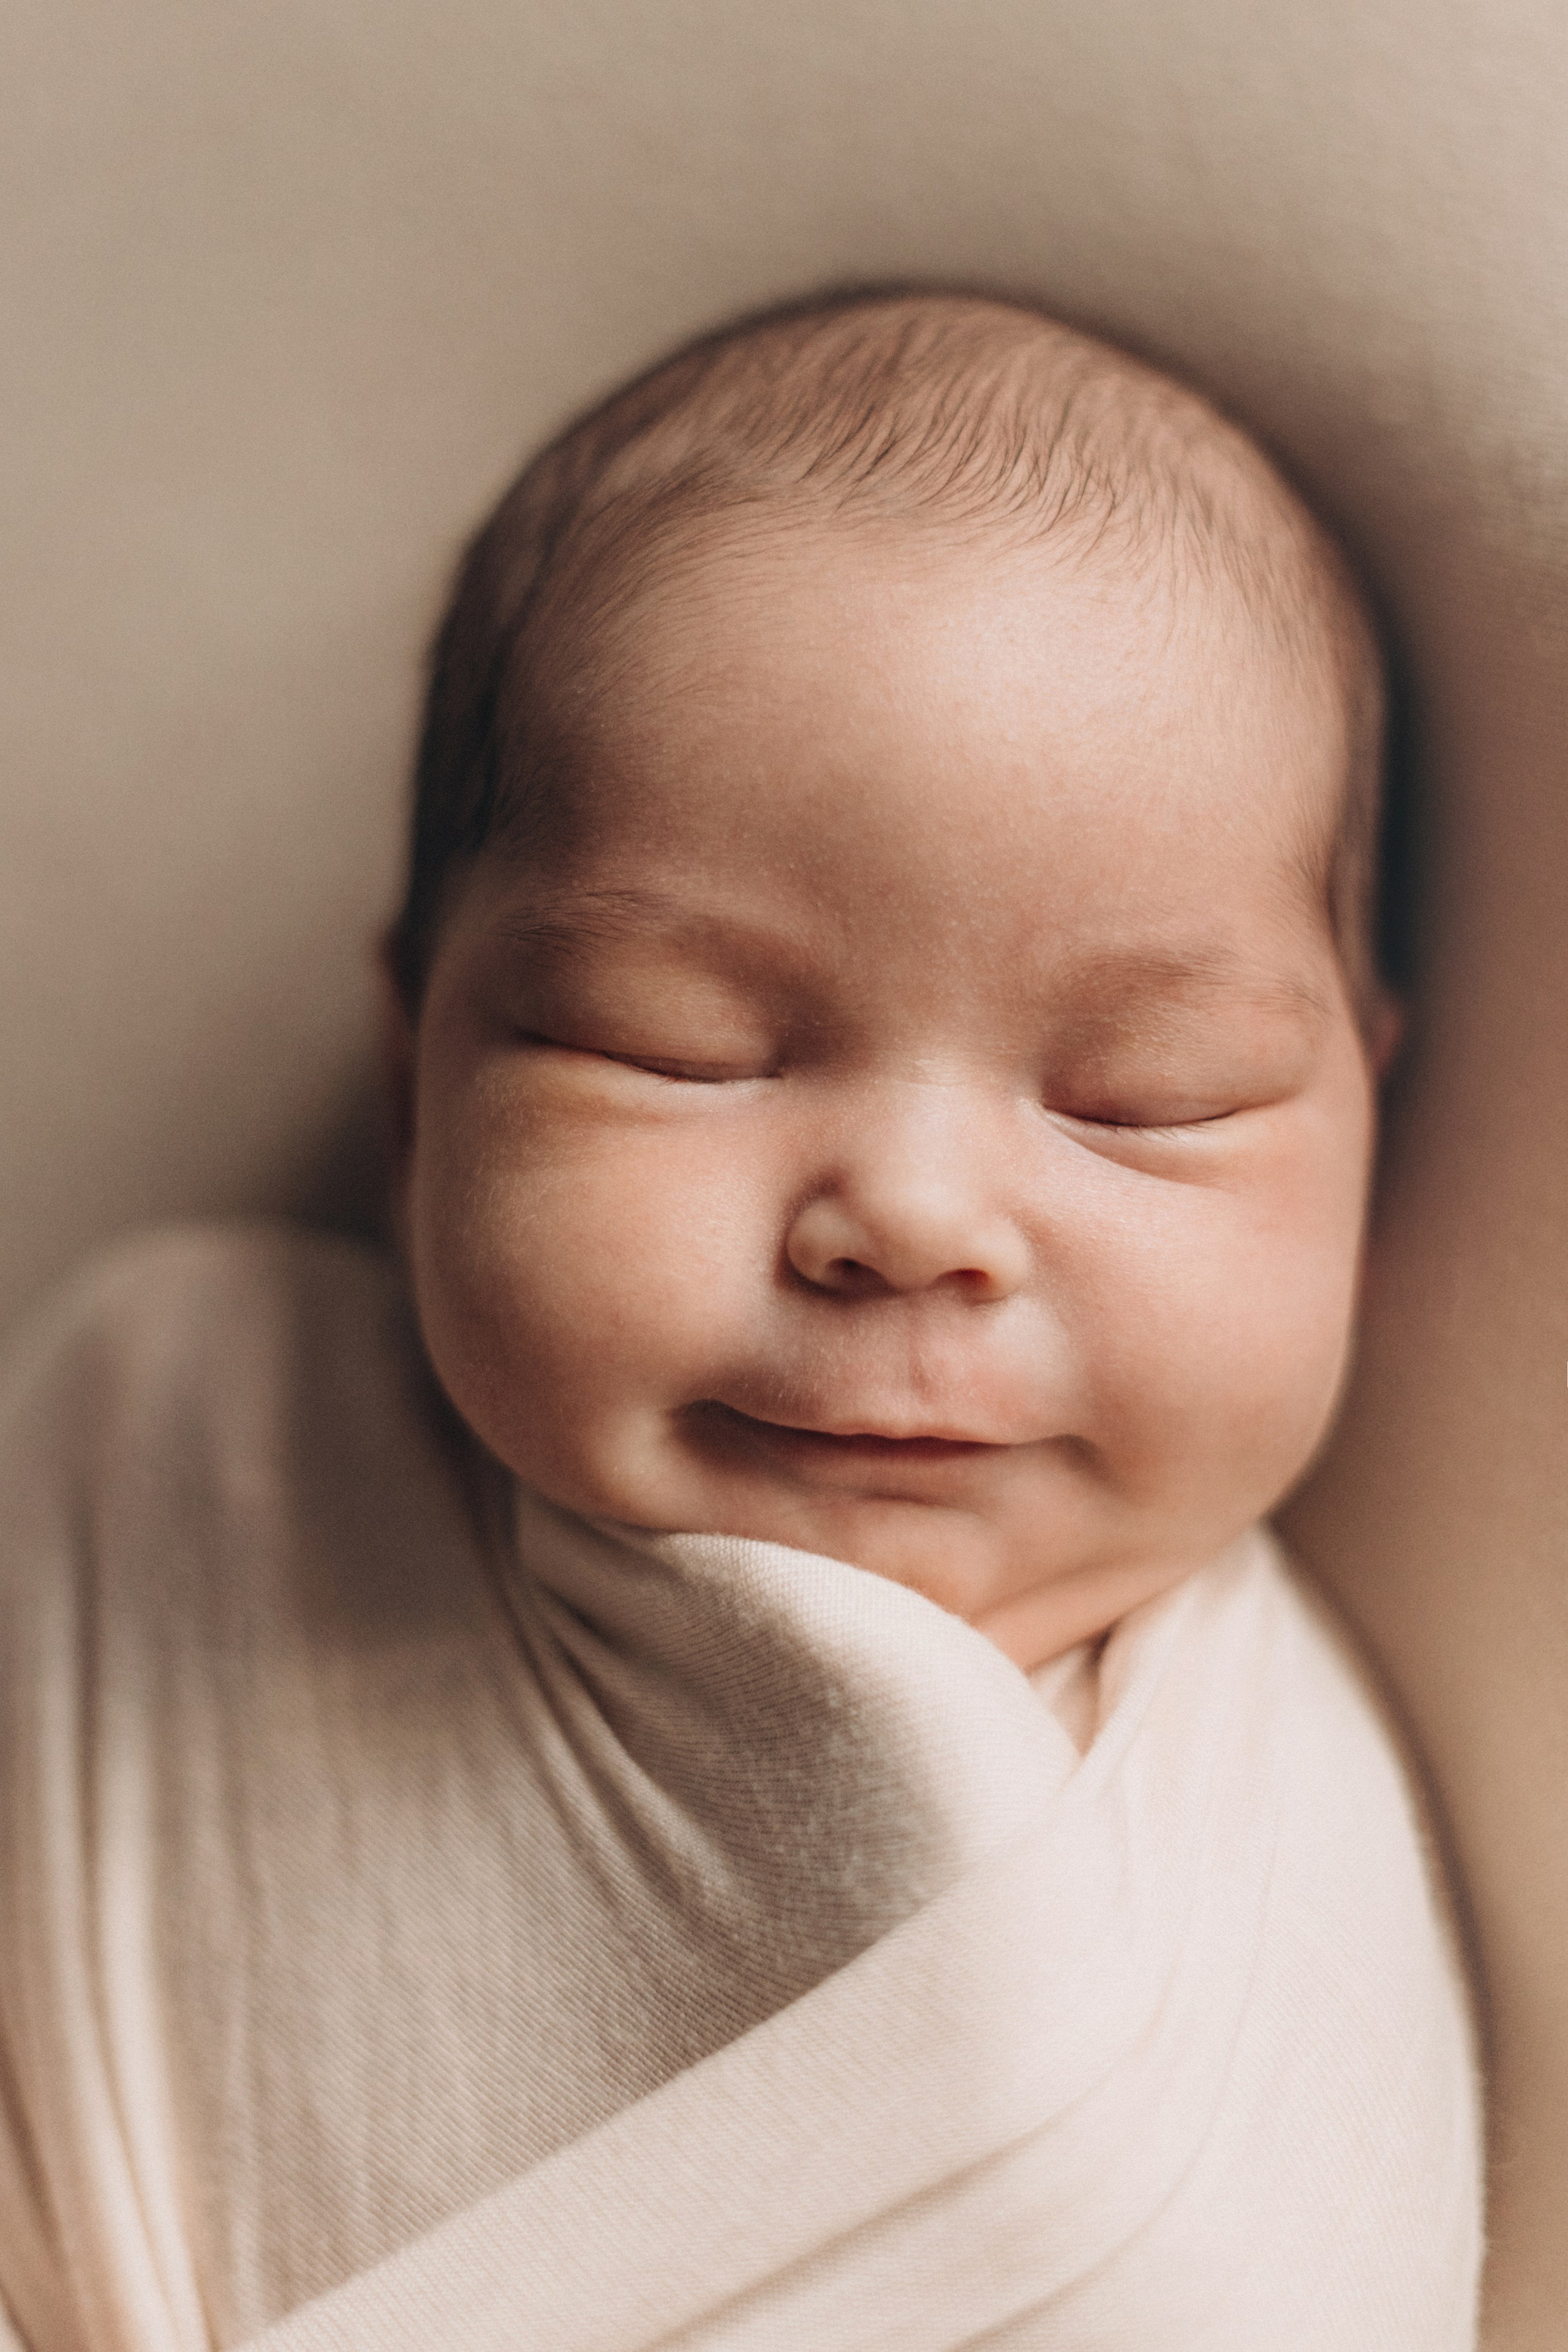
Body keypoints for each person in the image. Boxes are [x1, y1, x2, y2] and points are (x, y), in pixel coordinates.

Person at [0, 290, 1481, 2350]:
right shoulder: (172, 1446)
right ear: (422, 1060)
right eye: (672, 1046)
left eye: (1148, 1100)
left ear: (1366, 1114)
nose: (915, 1221)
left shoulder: (1260, 1944)